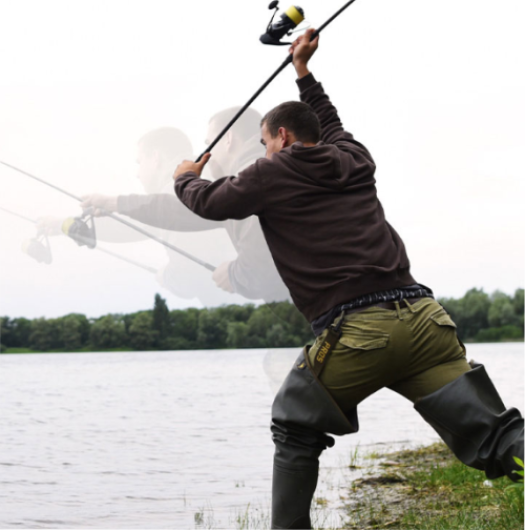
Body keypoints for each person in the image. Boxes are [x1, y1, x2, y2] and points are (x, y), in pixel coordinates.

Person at [173, 29, 525, 530]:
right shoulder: (354, 158)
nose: (264, 152)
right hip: (425, 321)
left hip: (359, 330)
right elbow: (331, 123)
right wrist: (303, 71)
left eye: (264, 142)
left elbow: (208, 202)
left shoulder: (274, 171)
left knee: (294, 425)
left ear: (283, 138)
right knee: (497, 439)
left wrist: (184, 176)